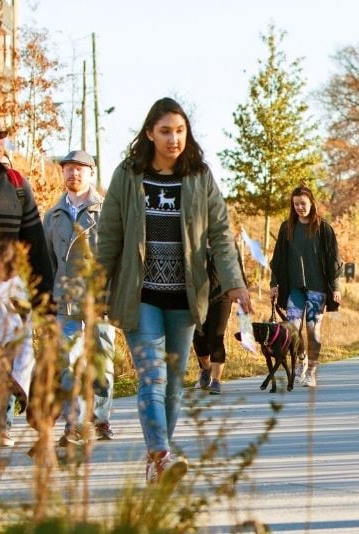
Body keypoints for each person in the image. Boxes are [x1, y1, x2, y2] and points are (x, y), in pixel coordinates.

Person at [96, 97, 252, 486]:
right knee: (152, 378)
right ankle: (162, 455)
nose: (173, 139)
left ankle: (155, 458)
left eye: (180, 131)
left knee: (175, 379)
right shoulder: (128, 176)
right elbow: (110, 236)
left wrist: (234, 282)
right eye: (165, 131)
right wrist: (96, 288)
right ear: (150, 133)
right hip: (140, 293)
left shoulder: (199, 176)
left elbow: (220, 231)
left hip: (185, 296)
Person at [0, 108, 54, 469]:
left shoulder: (18, 186)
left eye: (1, 133)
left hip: (8, 296)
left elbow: (35, 244)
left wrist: (47, 300)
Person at [43, 150, 116, 443]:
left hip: (99, 297)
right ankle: (74, 423)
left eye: (80, 169)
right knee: (69, 363)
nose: (74, 174)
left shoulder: (107, 212)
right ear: (62, 173)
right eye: (69, 169)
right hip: (65, 299)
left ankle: (100, 419)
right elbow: (48, 260)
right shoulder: (52, 215)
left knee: (102, 362)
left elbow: (116, 257)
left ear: (92, 173)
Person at [270, 185, 343, 386]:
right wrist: (274, 283)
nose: (300, 208)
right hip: (294, 287)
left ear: (311, 203)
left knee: (312, 328)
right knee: (292, 329)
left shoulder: (323, 228)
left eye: (303, 203)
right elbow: (278, 259)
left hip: (317, 288)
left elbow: (333, 259)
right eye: (296, 205)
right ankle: (301, 357)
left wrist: (335, 287)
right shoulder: (287, 228)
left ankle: (311, 369)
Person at [192, 240, 246, 395]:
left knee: (216, 337)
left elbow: (237, 267)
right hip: (197, 296)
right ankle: (206, 368)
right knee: (198, 337)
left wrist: (242, 290)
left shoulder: (226, 239)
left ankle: (216, 381)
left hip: (222, 295)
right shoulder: (193, 235)